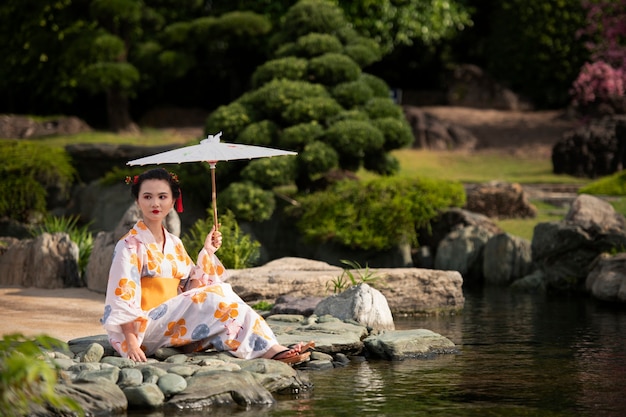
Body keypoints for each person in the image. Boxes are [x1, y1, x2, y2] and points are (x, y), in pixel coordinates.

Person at [101, 168, 313, 364]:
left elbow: (191, 290)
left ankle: (272, 349)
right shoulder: (129, 245)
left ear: (174, 200)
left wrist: (207, 251)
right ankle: (273, 352)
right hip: (144, 328)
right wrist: (130, 342)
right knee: (219, 292)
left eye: (162, 197)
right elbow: (123, 298)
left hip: (174, 322)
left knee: (224, 302)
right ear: (137, 201)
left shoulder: (174, 243)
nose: (155, 203)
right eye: (147, 197)